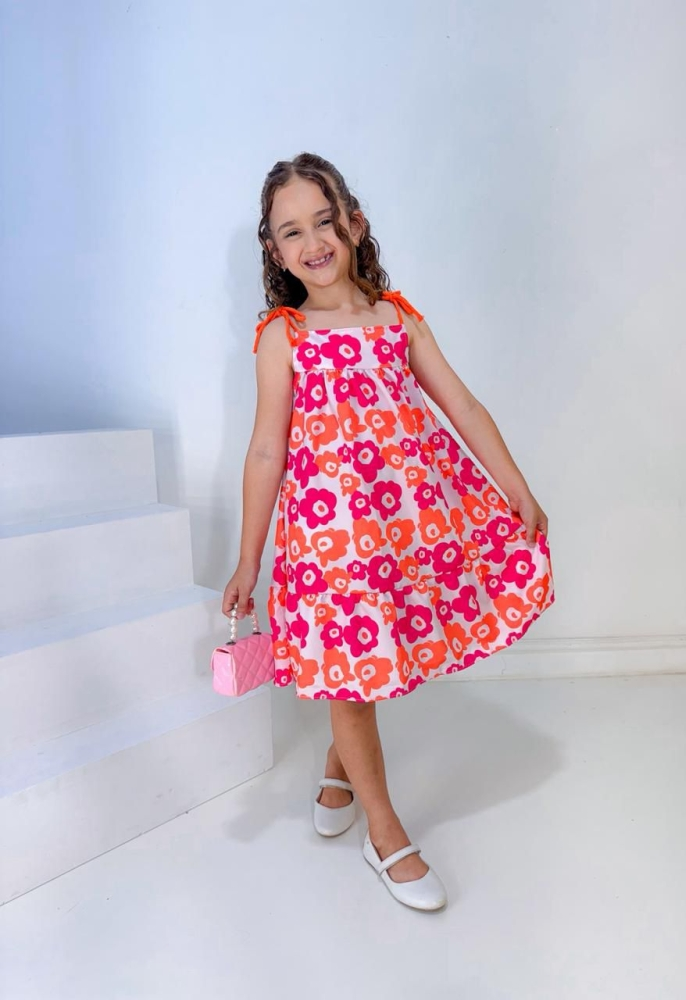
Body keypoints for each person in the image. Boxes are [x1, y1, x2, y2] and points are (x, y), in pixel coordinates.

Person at [222, 152, 555, 911]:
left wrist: (516, 487)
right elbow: (267, 449)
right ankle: (385, 832)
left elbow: (462, 406)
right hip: (330, 541)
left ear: (354, 222)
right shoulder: (283, 334)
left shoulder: (397, 317)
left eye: (324, 221)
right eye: (291, 231)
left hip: (404, 526)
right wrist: (248, 557)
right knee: (354, 674)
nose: (313, 242)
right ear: (274, 250)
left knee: (377, 665)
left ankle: (339, 765)